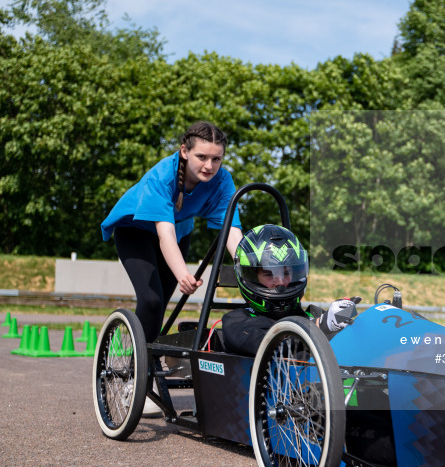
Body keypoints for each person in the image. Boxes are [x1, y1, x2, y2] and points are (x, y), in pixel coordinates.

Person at [102, 121, 244, 344]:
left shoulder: (223, 181)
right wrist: (183, 276)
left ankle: (143, 364)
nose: (209, 165)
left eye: (216, 159)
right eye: (202, 157)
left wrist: (251, 269)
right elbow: (164, 235)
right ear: (185, 151)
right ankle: (134, 366)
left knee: (160, 307)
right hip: (134, 231)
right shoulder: (162, 176)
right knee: (151, 301)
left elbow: (231, 232)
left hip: (179, 232)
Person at [221, 224, 359, 356]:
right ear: (250, 277)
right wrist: (319, 327)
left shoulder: (313, 315)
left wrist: (348, 321)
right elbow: (268, 345)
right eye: (269, 274)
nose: (281, 281)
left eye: (286, 273)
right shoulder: (236, 321)